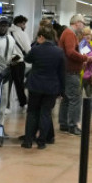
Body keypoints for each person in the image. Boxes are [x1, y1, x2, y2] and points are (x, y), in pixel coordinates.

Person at [21, 21, 65, 149]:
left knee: (32, 113)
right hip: (51, 87)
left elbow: (27, 59)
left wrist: (36, 44)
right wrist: (62, 91)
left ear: (41, 37)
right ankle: (41, 142)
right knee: (45, 114)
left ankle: (28, 141)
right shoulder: (59, 52)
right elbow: (61, 73)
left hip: (35, 86)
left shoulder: (36, 49)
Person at [58, 14, 92, 134]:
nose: (83, 26)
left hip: (68, 70)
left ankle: (63, 123)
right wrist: (84, 58)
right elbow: (71, 52)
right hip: (71, 72)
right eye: (83, 23)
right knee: (75, 98)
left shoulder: (68, 33)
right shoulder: (69, 34)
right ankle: (73, 124)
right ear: (77, 22)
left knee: (67, 98)